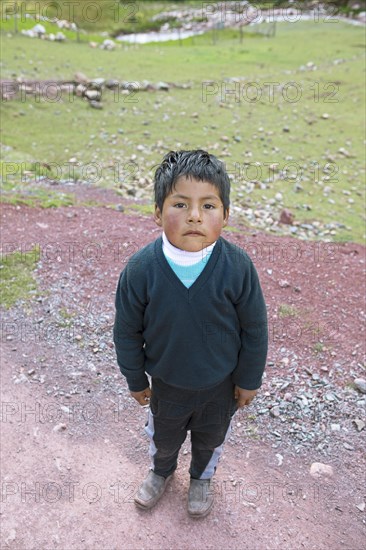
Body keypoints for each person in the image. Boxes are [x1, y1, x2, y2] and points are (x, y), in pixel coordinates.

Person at [113, 149, 268, 518]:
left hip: (221, 385)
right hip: (166, 386)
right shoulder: (140, 270)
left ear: (226, 215)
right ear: (156, 212)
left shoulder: (238, 268)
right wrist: (136, 379)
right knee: (163, 439)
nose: (195, 216)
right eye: (180, 204)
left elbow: (255, 328)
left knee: (210, 440)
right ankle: (161, 472)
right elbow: (126, 330)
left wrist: (249, 380)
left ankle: (201, 478)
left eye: (208, 206)